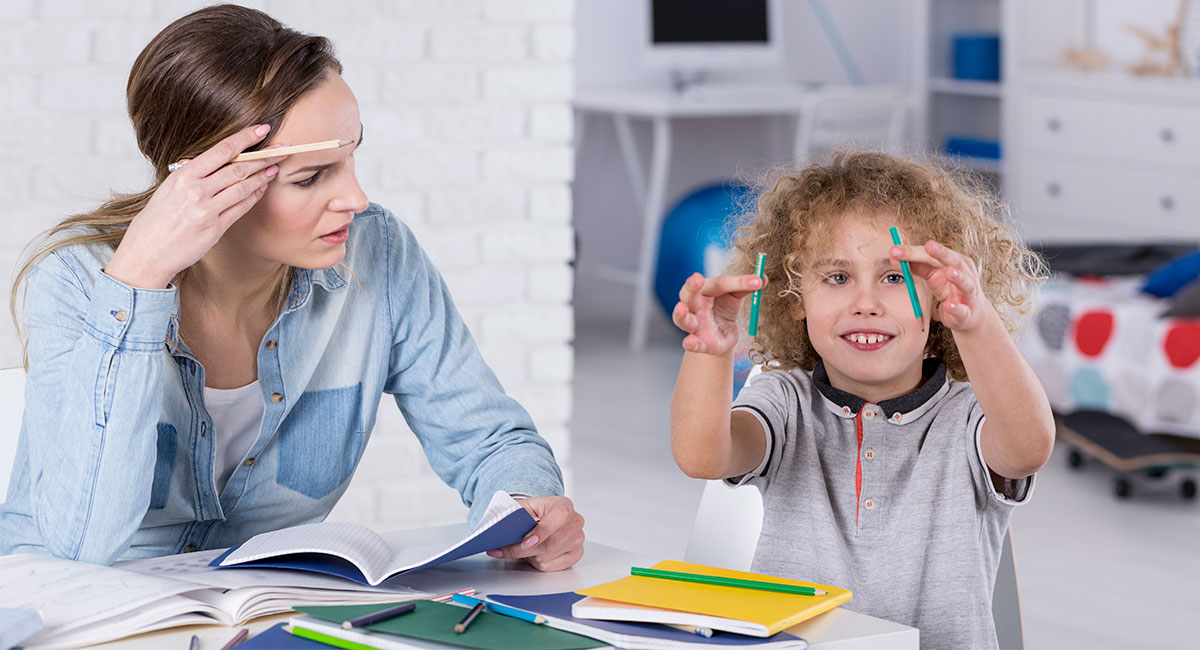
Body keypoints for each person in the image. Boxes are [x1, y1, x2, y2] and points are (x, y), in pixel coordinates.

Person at [0, 4, 583, 572]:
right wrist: (139, 282)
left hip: (257, 610)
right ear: (206, 182)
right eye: (311, 176)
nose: (355, 199)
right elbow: (83, 546)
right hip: (76, 611)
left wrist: (528, 504)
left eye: (352, 158)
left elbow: (487, 437)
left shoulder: (378, 254)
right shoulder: (78, 279)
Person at [669, 151, 1054, 649]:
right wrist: (712, 352)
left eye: (894, 277)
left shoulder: (969, 416)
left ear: (938, 298)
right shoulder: (786, 400)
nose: (865, 304)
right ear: (794, 300)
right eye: (837, 277)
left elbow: (1028, 447)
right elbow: (701, 456)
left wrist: (976, 320)